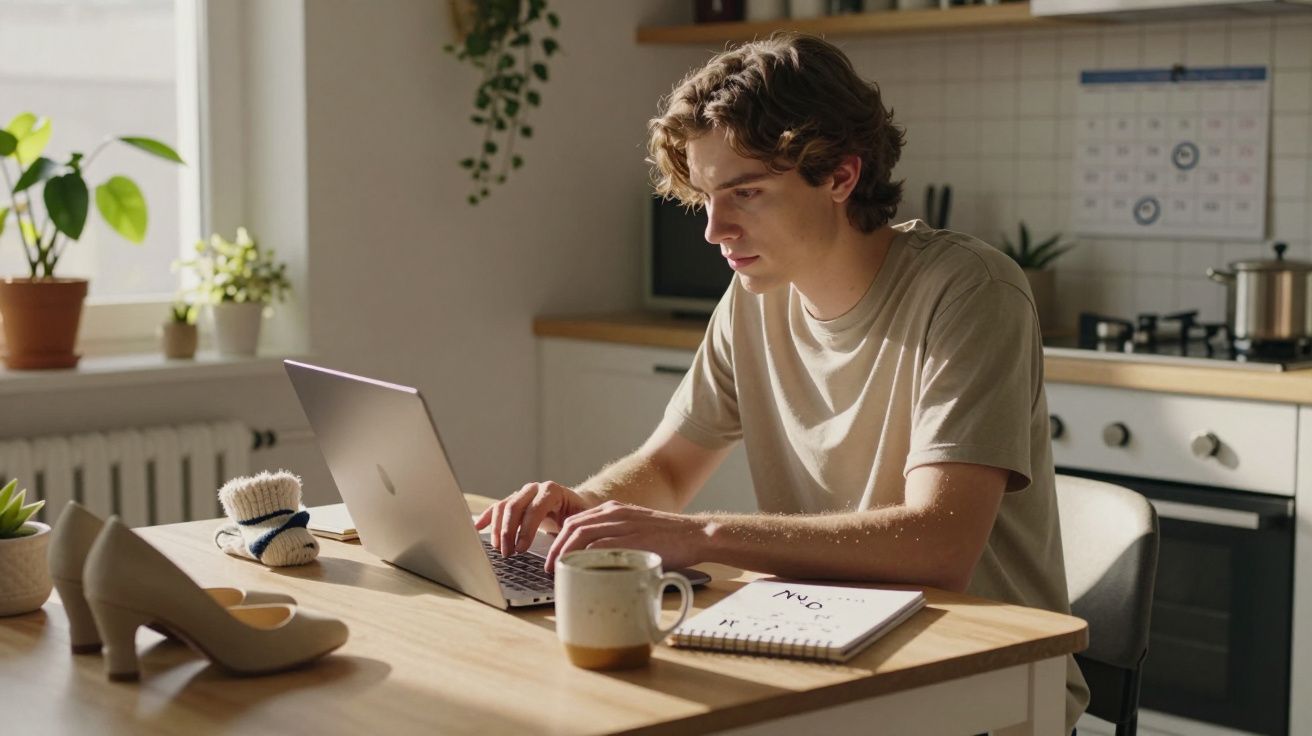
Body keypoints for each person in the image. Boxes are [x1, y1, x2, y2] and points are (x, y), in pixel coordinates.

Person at [475, 32, 1089, 731]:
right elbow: (668, 467)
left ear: (839, 176)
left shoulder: (971, 291)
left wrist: (696, 534)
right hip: (821, 652)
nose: (714, 228)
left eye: (747, 193)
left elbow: (940, 545)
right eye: (706, 195)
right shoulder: (755, 296)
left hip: (981, 685)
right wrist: (583, 511)